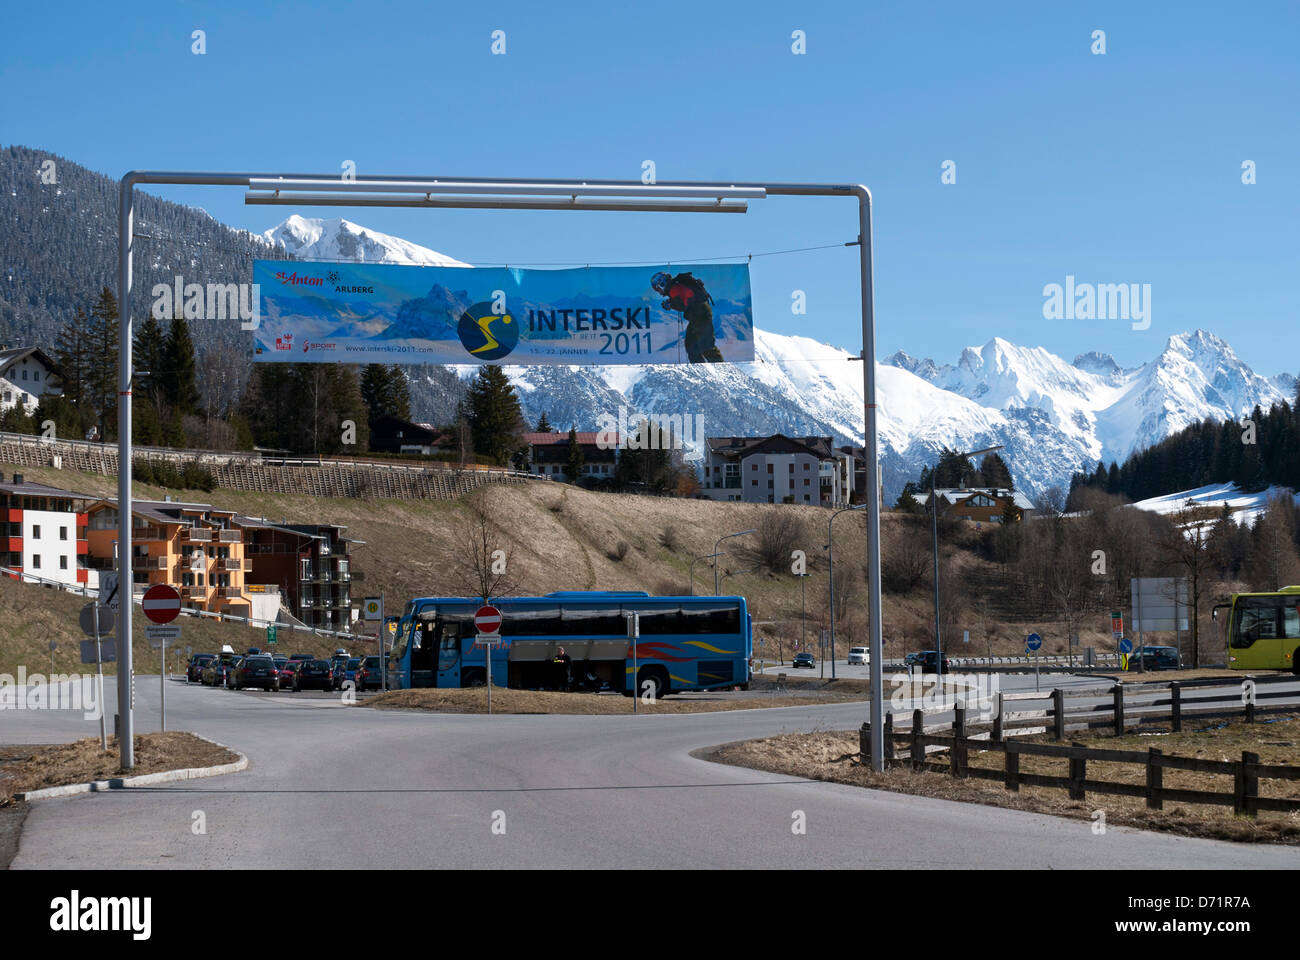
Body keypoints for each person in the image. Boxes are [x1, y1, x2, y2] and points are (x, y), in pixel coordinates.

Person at [651, 271, 724, 363]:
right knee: (692, 347)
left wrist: (670, 305)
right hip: (698, 315)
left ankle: (723, 372)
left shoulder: (674, 289)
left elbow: (681, 305)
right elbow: (685, 300)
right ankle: (702, 372)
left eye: (657, 289)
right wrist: (671, 302)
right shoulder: (675, 287)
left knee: (706, 346)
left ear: (662, 284)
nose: (658, 292)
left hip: (700, 315)